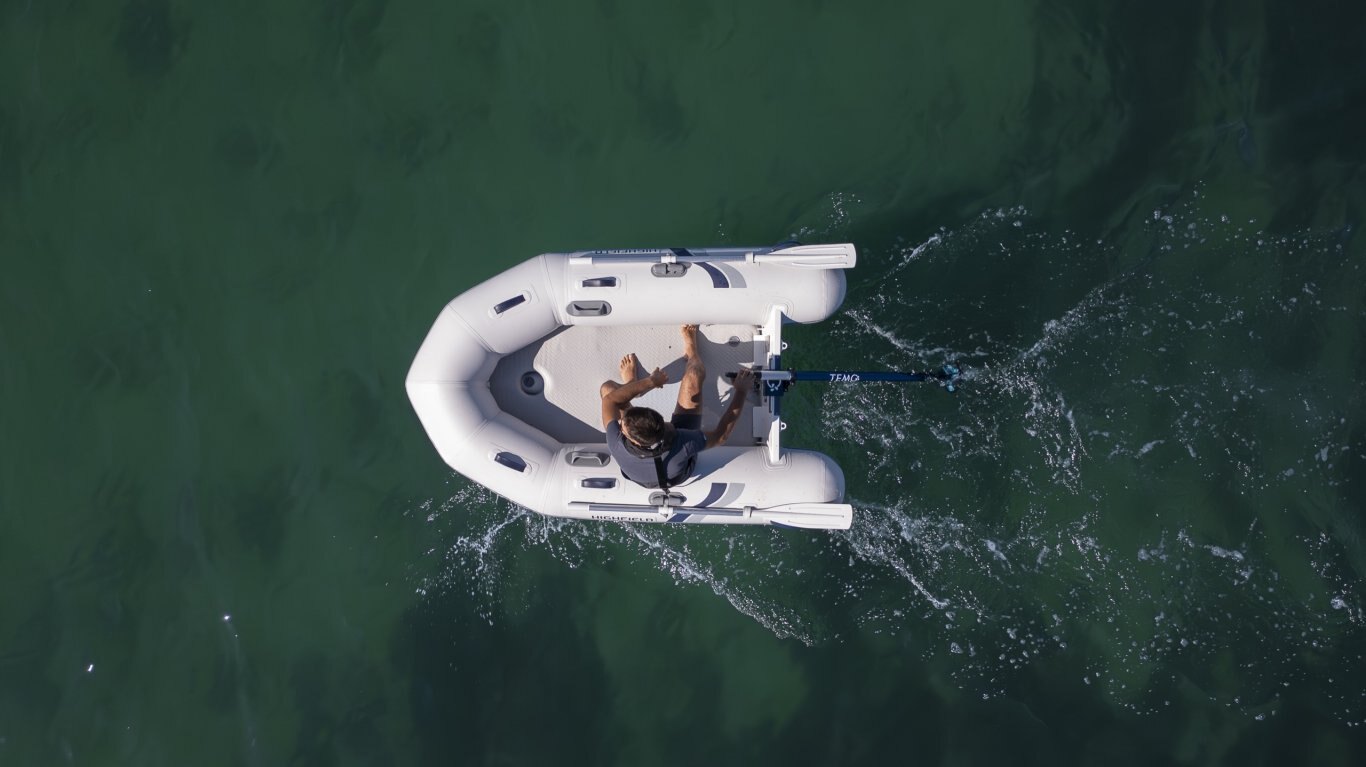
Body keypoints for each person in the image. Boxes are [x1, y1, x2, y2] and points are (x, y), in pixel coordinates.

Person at [599, 324, 755, 489]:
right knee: (694, 374)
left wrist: (649, 382)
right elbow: (721, 436)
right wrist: (741, 391)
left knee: (608, 389)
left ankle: (633, 385)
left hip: (662, 447)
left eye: (622, 425)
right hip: (676, 463)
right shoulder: (684, 443)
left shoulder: (615, 441)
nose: (620, 424)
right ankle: (691, 352)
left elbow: (608, 400)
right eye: (622, 426)